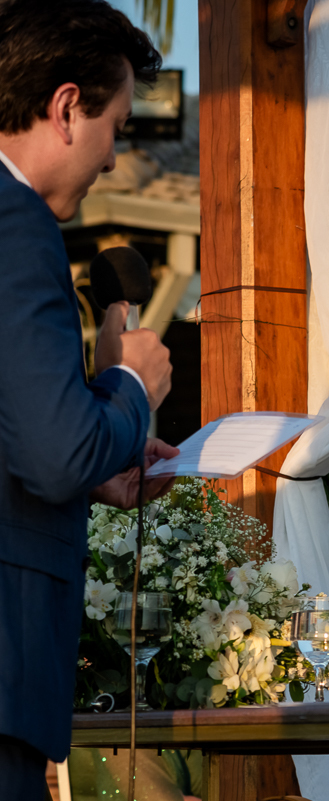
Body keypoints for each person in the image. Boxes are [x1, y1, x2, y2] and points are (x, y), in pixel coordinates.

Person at [0, 1, 176, 797]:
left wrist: (100, 468)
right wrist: (130, 386)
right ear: (68, 108)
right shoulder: (17, 224)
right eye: (118, 125)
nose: (113, 159)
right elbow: (56, 447)